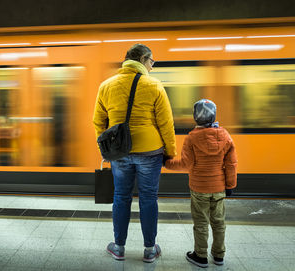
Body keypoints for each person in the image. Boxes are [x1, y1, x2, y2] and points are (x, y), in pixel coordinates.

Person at [93, 44, 177, 263]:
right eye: (152, 62)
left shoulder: (106, 86)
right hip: (150, 152)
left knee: (121, 196)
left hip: (120, 152)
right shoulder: (154, 85)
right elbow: (166, 124)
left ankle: (118, 247)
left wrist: (107, 148)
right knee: (149, 198)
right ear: (143, 59)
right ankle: (150, 249)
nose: (152, 66)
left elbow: (98, 122)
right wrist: (170, 152)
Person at [164, 99, 237, 268]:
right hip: (219, 188)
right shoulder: (225, 136)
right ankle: (219, 255)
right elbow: (232, 164)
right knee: (219, 222)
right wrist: (230, 185)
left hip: (199, 188)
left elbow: (185, 164)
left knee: (201, 222)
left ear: (195, 117)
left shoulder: (192, 138)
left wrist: (166, 163)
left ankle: (201, 256)